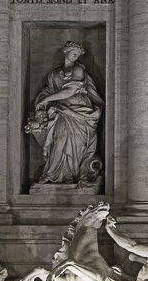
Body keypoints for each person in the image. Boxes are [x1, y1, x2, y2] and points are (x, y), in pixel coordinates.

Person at [25, 42, 103, 185]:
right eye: (73, 52)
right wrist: (41, 102)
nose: (75, 56)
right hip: (61, 111)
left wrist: (47, 99)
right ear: (66, 51)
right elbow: (49, 90)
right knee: (60, 139)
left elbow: (70, 91)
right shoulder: (54, 73)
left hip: (80, 111)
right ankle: (53, 173)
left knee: (76, 145)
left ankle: (71, 174)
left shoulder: (78, 69)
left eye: (78, 54)